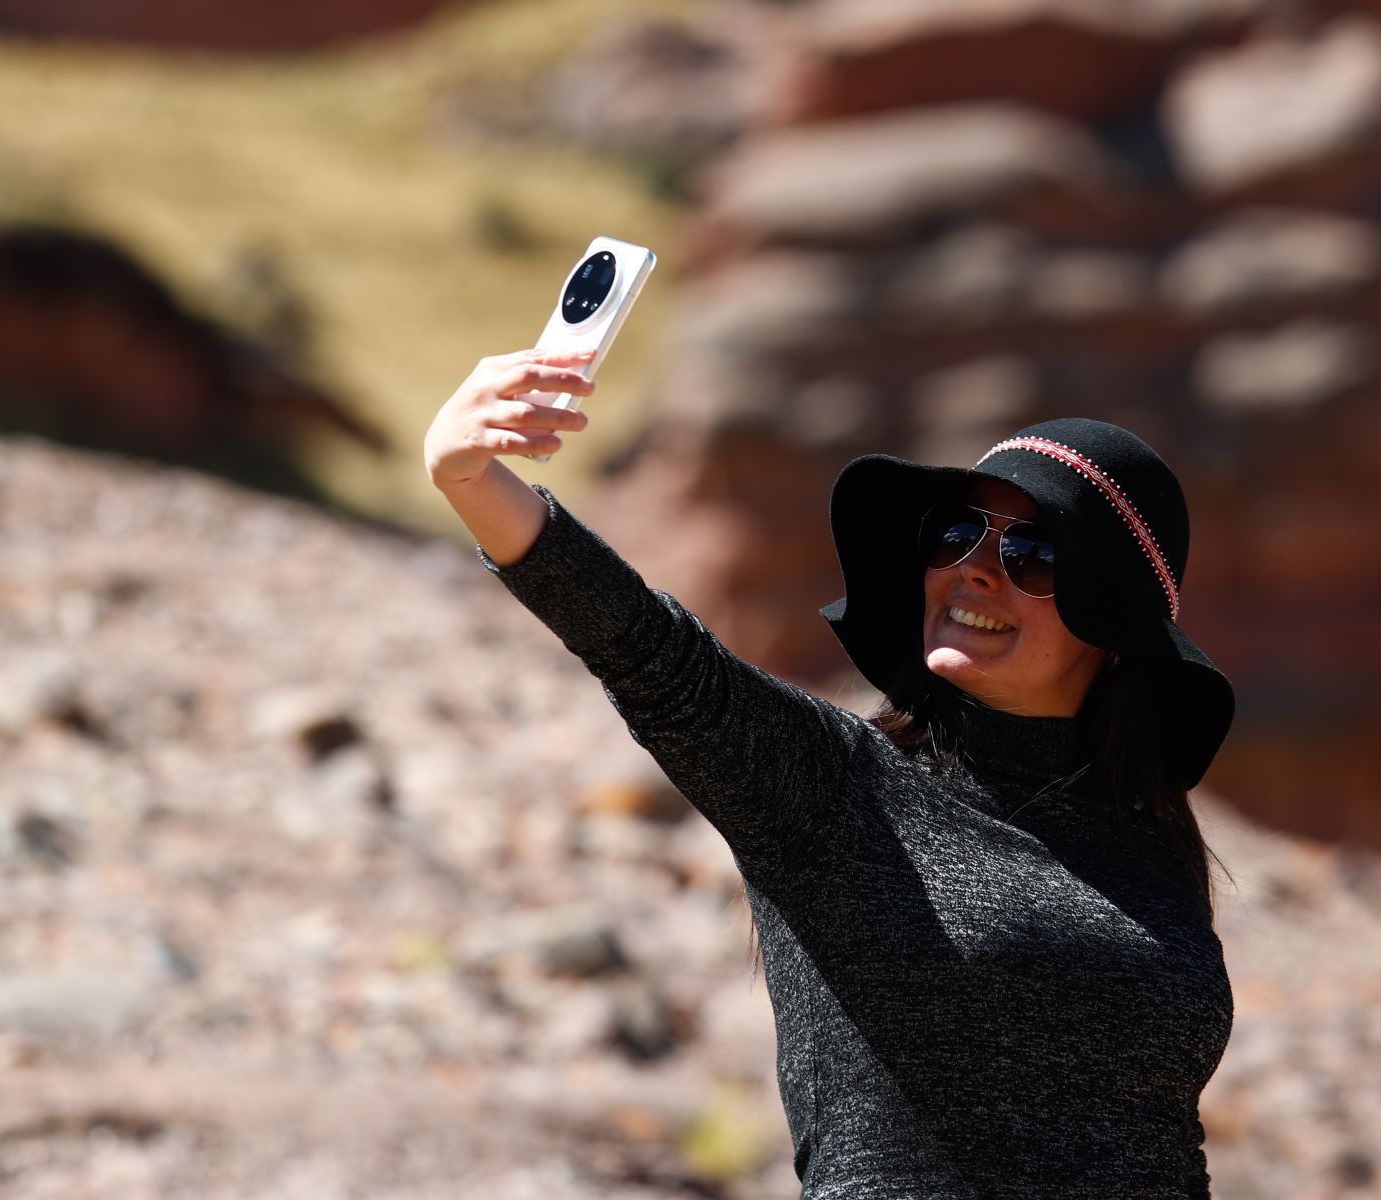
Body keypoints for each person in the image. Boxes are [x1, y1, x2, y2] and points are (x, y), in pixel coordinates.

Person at [424, 346, 1238, 1199]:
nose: (976, 568)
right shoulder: (836, 787)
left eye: (1035, 554)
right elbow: (648, 651)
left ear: (1117, 630)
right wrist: (472, 480)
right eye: (958, 532)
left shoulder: (1153, 845)